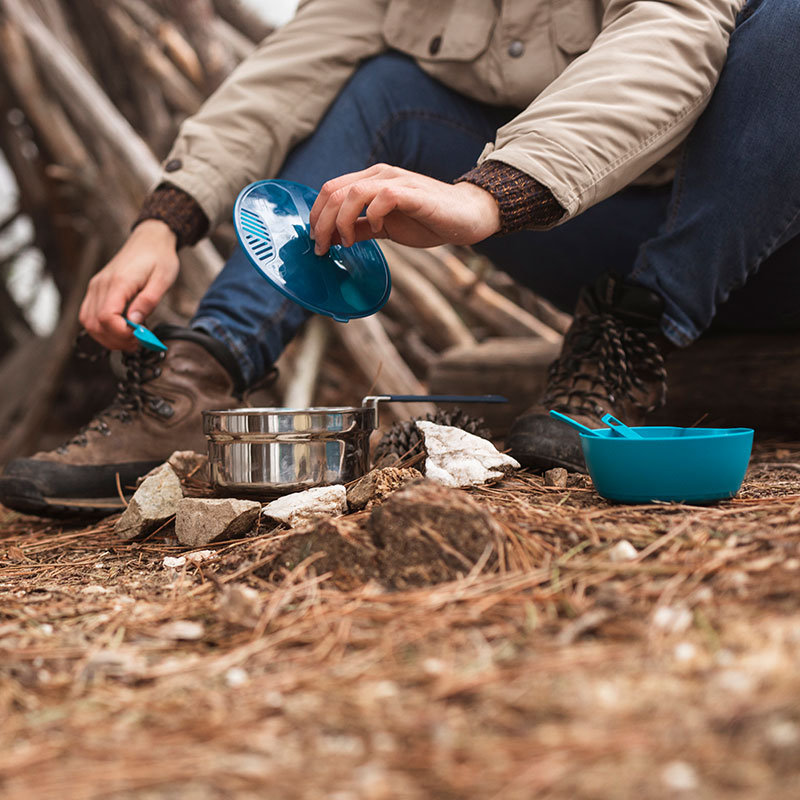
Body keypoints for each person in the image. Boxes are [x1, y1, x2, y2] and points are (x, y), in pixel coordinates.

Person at [2, 0, 798, 516]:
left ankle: (626, 344)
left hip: (767, 242)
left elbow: (668, 36)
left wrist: (490, 194)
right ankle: (194, 378)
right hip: (599, 240)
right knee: (383, 83)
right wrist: (161, 224)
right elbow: (283, 75)